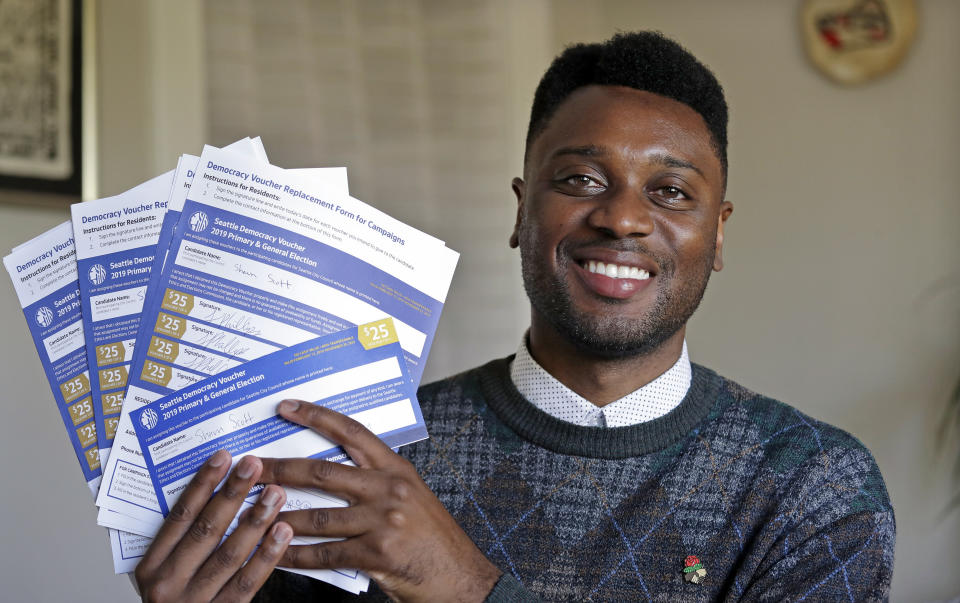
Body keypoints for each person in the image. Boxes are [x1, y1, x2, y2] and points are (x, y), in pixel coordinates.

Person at [133, 31, 895, 602]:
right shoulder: (367, 459)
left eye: (669, 191)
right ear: (522, 210)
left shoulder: (813, 485)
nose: (623, 218)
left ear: (718, 232)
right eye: (581, 178)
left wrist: (465, 583)